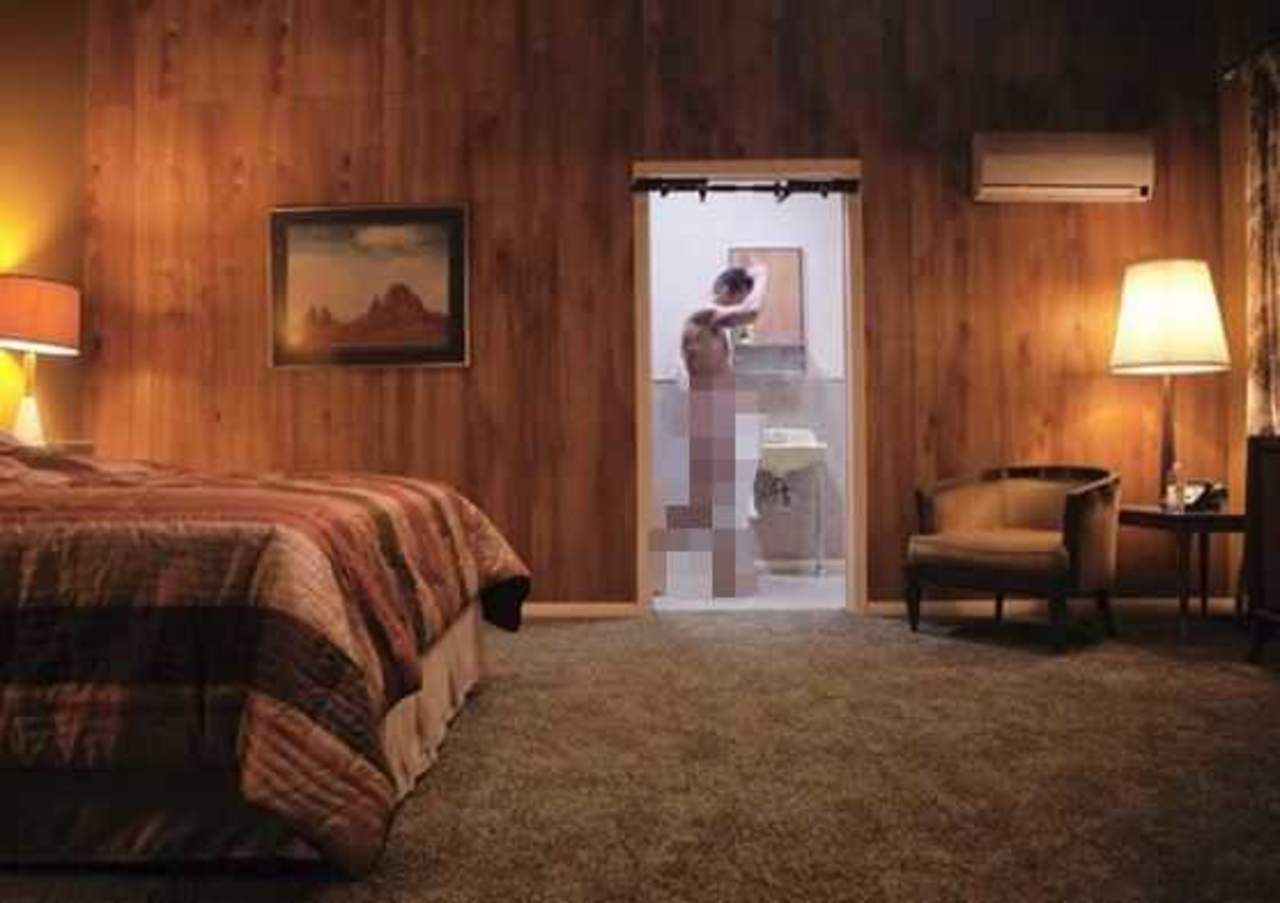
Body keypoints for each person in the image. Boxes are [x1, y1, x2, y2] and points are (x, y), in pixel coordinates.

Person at [669, 263, 768, 598]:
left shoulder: (712, 326)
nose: (737, 306)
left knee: (731, 499)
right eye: (738, 297)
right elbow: (752, 311)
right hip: (713, 414)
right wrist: (762, 275)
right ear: (727, 290)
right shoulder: (704, 315)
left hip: (720, 414)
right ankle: (724, 575)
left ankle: (727, 573)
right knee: (726, 500)